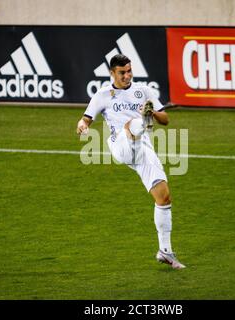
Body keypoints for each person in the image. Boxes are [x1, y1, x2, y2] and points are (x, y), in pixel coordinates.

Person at [76, 54, 185, 269]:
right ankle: (140, 123)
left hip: (143, 150)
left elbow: (165, 119)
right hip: (121, 146)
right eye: (122, 72)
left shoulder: (144, 92)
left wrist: (152, 111)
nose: (127, 75)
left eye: (129, 71)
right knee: (132, 126)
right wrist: (82, 125)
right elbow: (86, 118)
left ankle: (165, 251)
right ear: (112, 73)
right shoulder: (103, 95)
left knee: (164, 197)